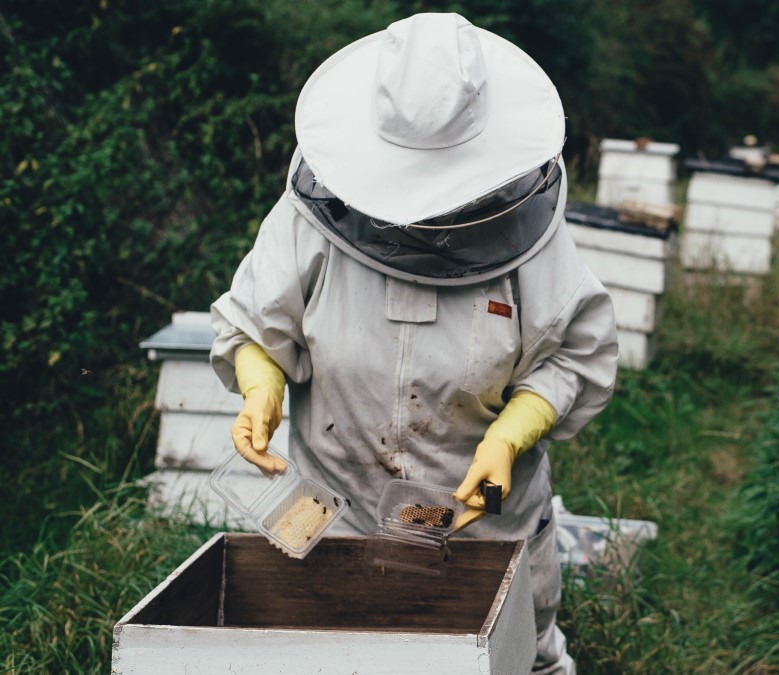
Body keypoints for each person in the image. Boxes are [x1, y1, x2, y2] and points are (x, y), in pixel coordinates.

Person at [209, 13, 618, 674]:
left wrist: (509, 435)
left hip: (481, 526)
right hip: (332, 516)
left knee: (515, 659)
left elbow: (572, 353)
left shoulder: (531, 243)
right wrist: (262, 384)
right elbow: (255, 323)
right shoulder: (308, 224)